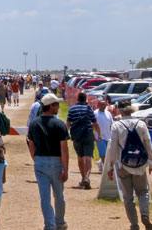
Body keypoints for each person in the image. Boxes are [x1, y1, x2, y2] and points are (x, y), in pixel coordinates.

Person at [106, 100, 152, 230]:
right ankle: (145, 215)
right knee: (143, 192)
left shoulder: (116, 125)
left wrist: (111, 166)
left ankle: (134, 225)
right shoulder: (141, 124)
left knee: (128, 197)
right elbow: (148, 144)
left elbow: (112, 148)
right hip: (140, 165)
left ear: (120, 110)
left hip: (123, 165)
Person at [27, 94, 68, 230]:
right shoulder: (59, 124)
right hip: (56, 161)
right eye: (56, 104)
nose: (57, 107)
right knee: (59, 196)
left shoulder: (34, 124)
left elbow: (31, 143)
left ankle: (49, 225)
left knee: (45, 197)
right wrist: (66, 169)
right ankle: (60, 221)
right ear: (51, 106)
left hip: (40, 161)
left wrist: (35, 158)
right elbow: (64, 149)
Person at [66, 92, 100, 189]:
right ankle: (87, 177)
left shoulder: (72, 109)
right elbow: (95, 123)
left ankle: (83, 177)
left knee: (80, 157)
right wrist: (99, 134)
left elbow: (68, 123)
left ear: (77, 99)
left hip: (77, 136)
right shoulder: (88, 109)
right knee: (88, 157)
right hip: (88, 134)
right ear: (85, 100)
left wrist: (65, 134)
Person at [93, 99, 114, 172]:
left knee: (109, 154)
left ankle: (100, 164)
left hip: (108, 137)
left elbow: (112, 125)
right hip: (99, 137)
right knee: (103, 153)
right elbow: (92, 125)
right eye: (101, 104)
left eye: (104, 104)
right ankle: (106, 169)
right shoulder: (95, 113)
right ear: (98, 105)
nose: (103, 106)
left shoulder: (108, 114)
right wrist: (93, 135)